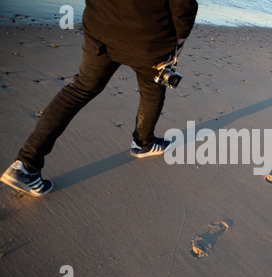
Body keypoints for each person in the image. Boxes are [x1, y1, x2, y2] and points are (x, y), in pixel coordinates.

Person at [0, 0, 198, 197]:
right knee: (152, 91)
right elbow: (184, 5)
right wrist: (180, 36)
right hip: (148, 39)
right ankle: (143, 143)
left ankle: (26, 165)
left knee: (77, 90)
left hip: (101, 29)